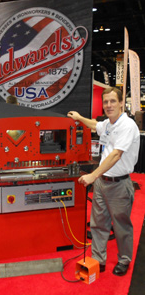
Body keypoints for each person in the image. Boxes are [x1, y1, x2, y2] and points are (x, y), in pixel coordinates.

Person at [67, 87, 140, 276]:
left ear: (121, 102)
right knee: (98, 224)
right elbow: (95, 125)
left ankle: (124, 260)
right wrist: (80, 118)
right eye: (106, 102)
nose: (108, 105)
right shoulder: (109, 123)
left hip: (119, 184)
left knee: (121, 226)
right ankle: (99, 259)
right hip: (102, 182)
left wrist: (93, 175)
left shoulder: (127, 125)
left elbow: (116, 154)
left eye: (113, 101)